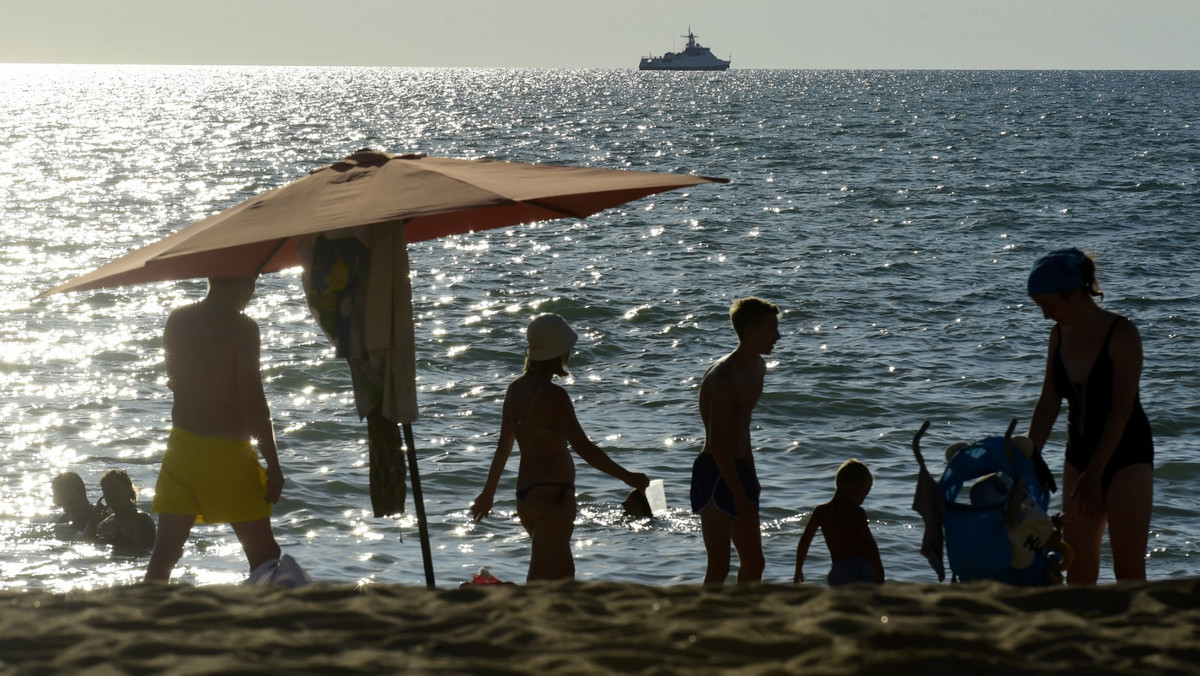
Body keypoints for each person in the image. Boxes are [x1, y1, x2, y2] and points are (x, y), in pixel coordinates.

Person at [471, 313, 649, 582]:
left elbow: (503, 448)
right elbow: (584, 448)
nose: (570, 352)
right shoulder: (555, 397)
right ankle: (490, 595)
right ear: (557, 352)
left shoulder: (514, 390)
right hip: (554, 499)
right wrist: (628, 477)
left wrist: (488, 493)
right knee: (539, 583)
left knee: (564, 578)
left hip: (526, 498)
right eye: (567, 347)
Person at [145, 276, 285, 583]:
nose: (252, 290)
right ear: (238, 284)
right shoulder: (242, 327)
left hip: (182, 446)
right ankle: (272, 623)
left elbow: (173, 380)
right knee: (264, 554)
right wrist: (273, 463)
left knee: (165, 555)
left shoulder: (179, 319)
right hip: (226, 453)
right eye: (250, 282)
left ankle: (140, 620)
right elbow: (252, 397)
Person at [1026, 248, 1153, 584]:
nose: (1045, 316)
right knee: (1078, 570)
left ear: (1074, 295)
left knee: (1128, 569)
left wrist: (1095, 473)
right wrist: (1028, 458)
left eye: (1049, 307)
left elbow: (1121, 410)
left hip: (1128, 457)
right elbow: (1049, 403)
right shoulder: (1058, 336)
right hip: (1077, 456)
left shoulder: (1123, 334)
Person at [690, 297, 780, 584]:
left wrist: (751, 476)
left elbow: (744, 428)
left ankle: (742, 621)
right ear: (751, 332)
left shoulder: (758, 368)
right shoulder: (724, 377)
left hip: (740, 467)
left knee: (755, 563)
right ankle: (702, 623)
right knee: (719, 566)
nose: (778, 336)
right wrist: (739, 493)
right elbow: (718, 442)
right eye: (771, 329)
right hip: (715, 470)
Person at [793, 459, 885, 586]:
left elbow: (805, 540)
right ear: (856, 488)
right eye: (865, 493)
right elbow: (870, 545)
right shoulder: (857, 512)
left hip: (838, 571)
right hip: (861, 570)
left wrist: (798, 569)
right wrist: (879, 570)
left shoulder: (821, 511)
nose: (864, 499)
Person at [83, 469, 157, 553]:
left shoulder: (140, 520)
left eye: (117, 489)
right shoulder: (105, 524)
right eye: (107, 491)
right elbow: (85, 544)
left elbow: (146, 554)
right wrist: (93, 520)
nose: (111, 494)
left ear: (128, 489)